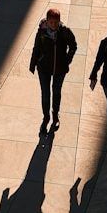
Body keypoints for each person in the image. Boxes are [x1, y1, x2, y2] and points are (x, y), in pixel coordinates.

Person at [29, 8, 77, 136]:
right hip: (44, 69)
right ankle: (46, 118)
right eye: (51, 22)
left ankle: (55, 115)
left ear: (59, 21)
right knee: (45, 93)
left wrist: (67, 61)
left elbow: (73, 46)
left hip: (60, 69)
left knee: (56, 92)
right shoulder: (41, 32)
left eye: (56, 22)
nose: (54, 25)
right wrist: (33, 64)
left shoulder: (65, 32)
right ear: (47, 21)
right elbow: (36, 48)